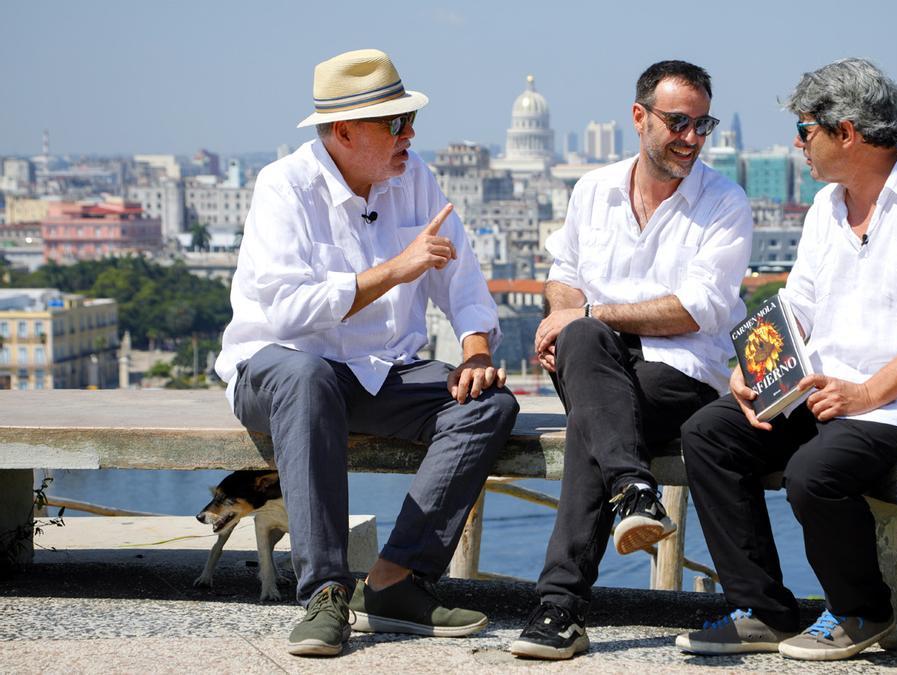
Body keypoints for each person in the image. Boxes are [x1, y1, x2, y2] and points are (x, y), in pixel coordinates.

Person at [676, 58, 897, 662]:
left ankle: (860, 610)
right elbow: (797, 305)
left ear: (845, 131)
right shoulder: (829, 206)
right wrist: (752, 365)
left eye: (805, 131)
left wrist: (869, 393)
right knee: (710, 434)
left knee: (813, 474)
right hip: (828, 391)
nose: (797, 145)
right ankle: (763, 610)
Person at [214, 48, 518, 658]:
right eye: (396, 123)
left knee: (487, 404)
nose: (411, 133)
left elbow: (462, 281)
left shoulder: (416, 178)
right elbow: (286, 315)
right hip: (278, 370)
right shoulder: (284, 187)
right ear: (345, 131)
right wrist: (393, 271)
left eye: (410, 120)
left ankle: (395, 580)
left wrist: (477, 348)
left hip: (381, 371)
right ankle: (325, 591)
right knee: (307, 377)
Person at [508, 60, 753, 660]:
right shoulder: (593, 190)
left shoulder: (724, 202)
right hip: (597, 364)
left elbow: (695, 311)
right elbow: (562, 279)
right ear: (639, 118)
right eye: (677, 122)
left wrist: (586, 313)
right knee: (590, 350)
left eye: (702, 124)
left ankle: (558, 607)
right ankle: (633, 489)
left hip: (683, 371)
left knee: (595, 421)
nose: (691, 138)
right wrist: (570, 316)